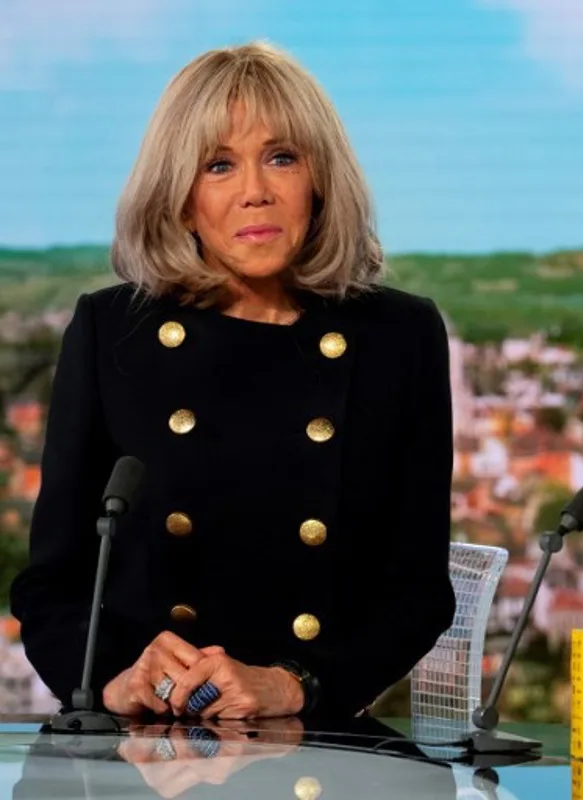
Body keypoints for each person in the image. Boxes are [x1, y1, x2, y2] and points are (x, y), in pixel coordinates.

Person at [10, 41, 456, 720]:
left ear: (319, 180)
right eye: (219, 165)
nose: (256, 191)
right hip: (149, 747)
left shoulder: (399, 337)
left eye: (282, 157)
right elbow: (50, 585)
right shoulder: (111, 332)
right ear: (181, 198)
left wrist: (296, 685)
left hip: (320, 746)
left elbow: (418, 592)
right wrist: (114, 679)